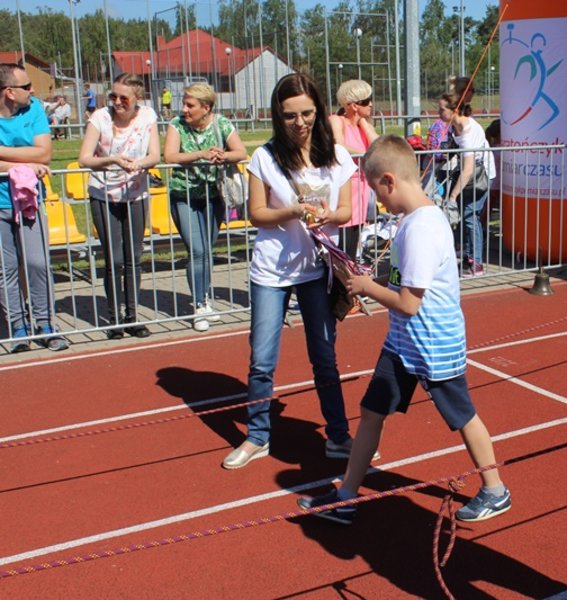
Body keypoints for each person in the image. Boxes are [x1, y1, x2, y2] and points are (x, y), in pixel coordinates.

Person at [298, 135, 511, 525]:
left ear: (390, 181)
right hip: (403, 343)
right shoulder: (411, 223)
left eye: (377, 191)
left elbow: (411, 303)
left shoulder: (421, 229)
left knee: (463, 415)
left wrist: (367, 288)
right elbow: (403, 288)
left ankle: (495, 489)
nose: (379, 202)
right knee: (371, 410)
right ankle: (347, 495)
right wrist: (374, 284)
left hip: (433, 343)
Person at [222, 72, 361, 470]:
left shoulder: (336, 154)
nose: (299, 123)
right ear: (276, 116)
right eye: (289, 116)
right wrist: (295, 210)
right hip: (271, 271)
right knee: (262, 359)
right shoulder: (264, 156)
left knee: (324, 356)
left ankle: (337, 436)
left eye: (306, 113)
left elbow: (348, 211)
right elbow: (256, 214)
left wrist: (327, 215)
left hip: (317, 269)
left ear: (317, 111)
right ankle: (258, 437)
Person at [78, 73, 160, 340]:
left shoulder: (148, 116)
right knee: (113, 259)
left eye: (124, 98)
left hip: (135, 194)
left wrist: (141, 164)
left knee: (133, 258)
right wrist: (112, 160)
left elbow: (155, 155)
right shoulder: (100, 118)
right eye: (112, 96)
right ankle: (113, 318)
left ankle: (132, 316)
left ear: (137, 98)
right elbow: (84, 159)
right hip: (103, 193)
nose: (117, 102)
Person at [163, 83, 248, 332]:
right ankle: (199, 305)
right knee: (197, 250)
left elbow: (240, 152)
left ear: (206, 108)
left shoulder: (221, 124)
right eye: (184, 104)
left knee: (207, 251)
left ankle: (206, 297)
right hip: (184, 195)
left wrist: (223, 155)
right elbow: (170, 157)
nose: (185, 109)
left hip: (214, 196)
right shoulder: (176, 125)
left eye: (190, 105)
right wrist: (199, 154)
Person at [0, 63, 69, 352]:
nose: (33, 91)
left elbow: (45, 152)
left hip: (29, 201)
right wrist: (28, 163)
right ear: (9, 92)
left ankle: (46, 323)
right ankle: (17, 325)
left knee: (38, 263)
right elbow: (35, 157)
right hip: (1, 204)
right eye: (27, 87)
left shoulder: (35, 109)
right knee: (6, 270)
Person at [446, 79, 496, 278]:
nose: (438, 114)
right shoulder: (455, 126)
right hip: (471, 173)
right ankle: (467, 255)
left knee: (470, 215)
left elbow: (468, 169)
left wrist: (452, 195)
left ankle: (476, 263)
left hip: (481, 175)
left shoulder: (469, 130)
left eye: (442, 110)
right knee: (465, 213)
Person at [328, 79, 379, 259]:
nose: (371, 104)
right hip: (344, 189)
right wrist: (365, 155)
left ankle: (348, 278)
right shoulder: (336, 120)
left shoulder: (364, 126)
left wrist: (363, 123)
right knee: (340, 242)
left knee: (352, 242)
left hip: (361, 190)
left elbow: (379, 147)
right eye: (366, 101)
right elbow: (339, 146)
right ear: (353, 105)